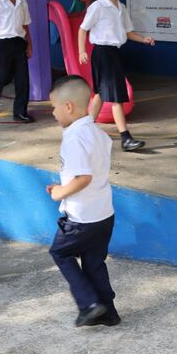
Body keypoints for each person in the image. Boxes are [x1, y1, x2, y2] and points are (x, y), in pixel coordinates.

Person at [47, 75, 120, 327]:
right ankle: (108, 312)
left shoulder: (74, 137)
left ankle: (88, 303)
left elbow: (83, 177)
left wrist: (59, 192)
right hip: (103, 214)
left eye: (54, 107)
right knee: (93, 263)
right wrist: (61, 186)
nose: (53, 113)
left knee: (59, 252)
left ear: (68, 106)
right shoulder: (97, 132)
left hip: (82, 218)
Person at [78, 0, 155, 151]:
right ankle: (126, 138)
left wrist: (143, 39)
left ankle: (83, 130)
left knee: (100, 94)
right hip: (102, 53)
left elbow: (128, 32)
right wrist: (82, 51)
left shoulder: (121, 7)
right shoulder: (98, 7)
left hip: (113, 53)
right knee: (116, 97)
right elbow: (83, 29)